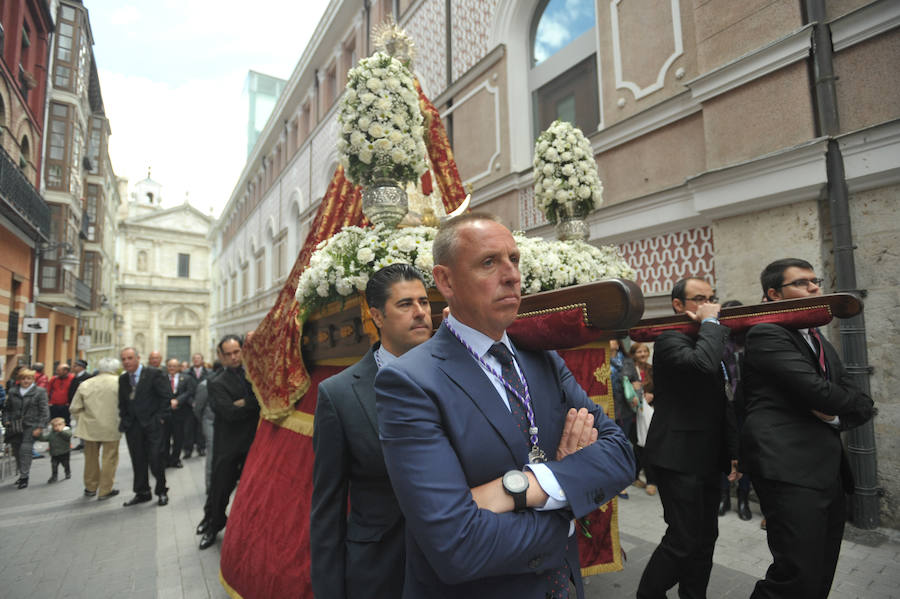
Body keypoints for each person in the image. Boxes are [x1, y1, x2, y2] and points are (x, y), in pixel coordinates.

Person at [374, 213, 635, 598]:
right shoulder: (411, 382)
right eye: (489, 262)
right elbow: (457, 544)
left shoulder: (542, 360)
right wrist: (568, 504)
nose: (512, 275)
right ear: (445, 281)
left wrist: (527, 486)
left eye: (514, 259)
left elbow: (621, 454)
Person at [741, 258, 875, 598]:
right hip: (789, 470)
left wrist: (835, 416)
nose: (815, 288)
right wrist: (844, 402)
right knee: (794, 577)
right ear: (772, 294)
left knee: (820, 574)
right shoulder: (766, 333)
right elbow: (817, 391)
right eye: (801, 283)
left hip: (828, 471)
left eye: (815, 281)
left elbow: (857, 399)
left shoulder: (818, 338)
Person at [311, 264, 432, 599]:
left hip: (456, 566)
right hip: (382, 571)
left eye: (424, 302)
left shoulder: (458, 375)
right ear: (377, 317)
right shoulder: (339, 395)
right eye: (406, 304)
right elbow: (327, 508)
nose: (420, 312)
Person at [637, 277, 739, 599]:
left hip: (708, 456)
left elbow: (722, 399)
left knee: (705, 538)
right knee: (683, 538)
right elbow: (702, 365)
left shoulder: (707, 337)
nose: (709, 305)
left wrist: (732, 451)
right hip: (677, 456)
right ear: (678, 305)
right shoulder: (671, 340)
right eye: (699, 299)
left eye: (712, 298)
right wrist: (711, 321)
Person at [197, 334, 260, 550]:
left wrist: (246, 403)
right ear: (221, 357)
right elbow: (229, 412)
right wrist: (253, 404)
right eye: (229, 354)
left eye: (237, 352)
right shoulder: (215, 382)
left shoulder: (255, 374)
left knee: (253, 491)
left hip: (254, 443)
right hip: (228, 445)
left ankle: (248, 530)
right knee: (220, 489)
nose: (234, 357)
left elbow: (262, 401)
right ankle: (213, 526)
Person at [118, 347, 172, 507]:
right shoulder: (123, 379)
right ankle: (142, 492)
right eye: (124, 359)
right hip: (133, 428)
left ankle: (161, 491)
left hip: (153, 425)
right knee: (138, 460)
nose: (126, 362)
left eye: (129, 358)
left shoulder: (154, 374)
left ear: (138, 358)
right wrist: (125, 421)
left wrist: (160, 418)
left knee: (156, 459)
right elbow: (122, 403)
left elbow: (166, 396)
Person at [71, 357, 123, 500]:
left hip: (90, 428)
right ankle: (105, 490)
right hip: (112, 427)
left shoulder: (86, 384)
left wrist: (82, 421)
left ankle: (90, 487)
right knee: (110, 459)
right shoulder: (119, 383)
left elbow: (74, 407)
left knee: (90, 458)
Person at [3, 368, 49, 488]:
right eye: (23, 378)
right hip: (15, 426)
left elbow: (44, 411)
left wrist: (40, 426)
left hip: (31, 425)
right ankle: (21, 473)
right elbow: (7, 409)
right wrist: (6, 420)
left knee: (25, 450)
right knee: (17, 451)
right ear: (19, 380)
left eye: (28, 378)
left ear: (33, 379)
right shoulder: (13, 392)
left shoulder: (40, 392)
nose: (26, 381)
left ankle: (24, 476)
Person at [609, 337, 640, 497]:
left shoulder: (627, 361)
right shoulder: (599, 358)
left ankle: (621, 481)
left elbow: (636, 381)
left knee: (622, 444)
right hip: (607, 410)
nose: (611, 341)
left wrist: (638, 396)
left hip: (625, 410)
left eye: (613, 338)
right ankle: (611, 480)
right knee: (609, 446)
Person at [629, 341, 657, 496]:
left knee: (647, 447)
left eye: (645, 351)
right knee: (639, 447)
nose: (643, 354)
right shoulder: (629, 370)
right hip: (633, 414)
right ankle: (639, 476)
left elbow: (660, 387)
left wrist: (653, 396)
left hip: (648, 412)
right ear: (633, 354)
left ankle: (649, 479)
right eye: (639, 352)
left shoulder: (652, 370)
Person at [193, 360, 223, 492]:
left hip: (223, 423)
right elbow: (197, 408)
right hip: (210, 422)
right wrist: (205, 419)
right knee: (212, 452)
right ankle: (210, 485)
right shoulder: (205, 385)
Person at [162, 358, 195, 469]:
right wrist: (169, 401)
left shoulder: (186, 378)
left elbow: (189, 391)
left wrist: (178, 400)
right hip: (166, 413)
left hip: (180, 413)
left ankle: (175, 459)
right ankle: (165, 459)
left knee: (178, 438)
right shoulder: (162, 379)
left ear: (179, 367)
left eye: (174, 366)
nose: (172, 368)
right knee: (165, 438)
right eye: (170, 366)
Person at [183, 353, 209, 459]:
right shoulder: (186, 373)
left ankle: (201, 448)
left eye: (198, 358)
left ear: (202, 360)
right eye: (194, 358)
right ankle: (188, 450)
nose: (196, 360)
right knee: (188, 428)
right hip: (189, 405)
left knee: (201, 428)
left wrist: (201, 402)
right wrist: (192, 402)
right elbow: (184, 390)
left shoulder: (209, 373)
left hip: (203, 405)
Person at [67, 359, 92, 451]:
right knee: (79, 424)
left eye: (75, 366)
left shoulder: (88, 377)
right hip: (76, 405)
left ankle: (87, 443)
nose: (73, 368)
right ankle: (82, 443)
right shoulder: (75, 378)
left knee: (85, 424)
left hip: (85, 405)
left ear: (81, 367)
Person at [41, 417, 73, 483]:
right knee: (54, 465)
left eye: (59, 425)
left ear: (64, 424)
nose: (57, 427)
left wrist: (61, 431)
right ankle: (54, 476)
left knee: (65, 464)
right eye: (55, 426)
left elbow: (68, 436)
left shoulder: (66, 430)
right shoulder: (52, 433)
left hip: (64, 452)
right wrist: (39, 435)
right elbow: (45, 438)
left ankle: (67, 472)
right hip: (54, 453)